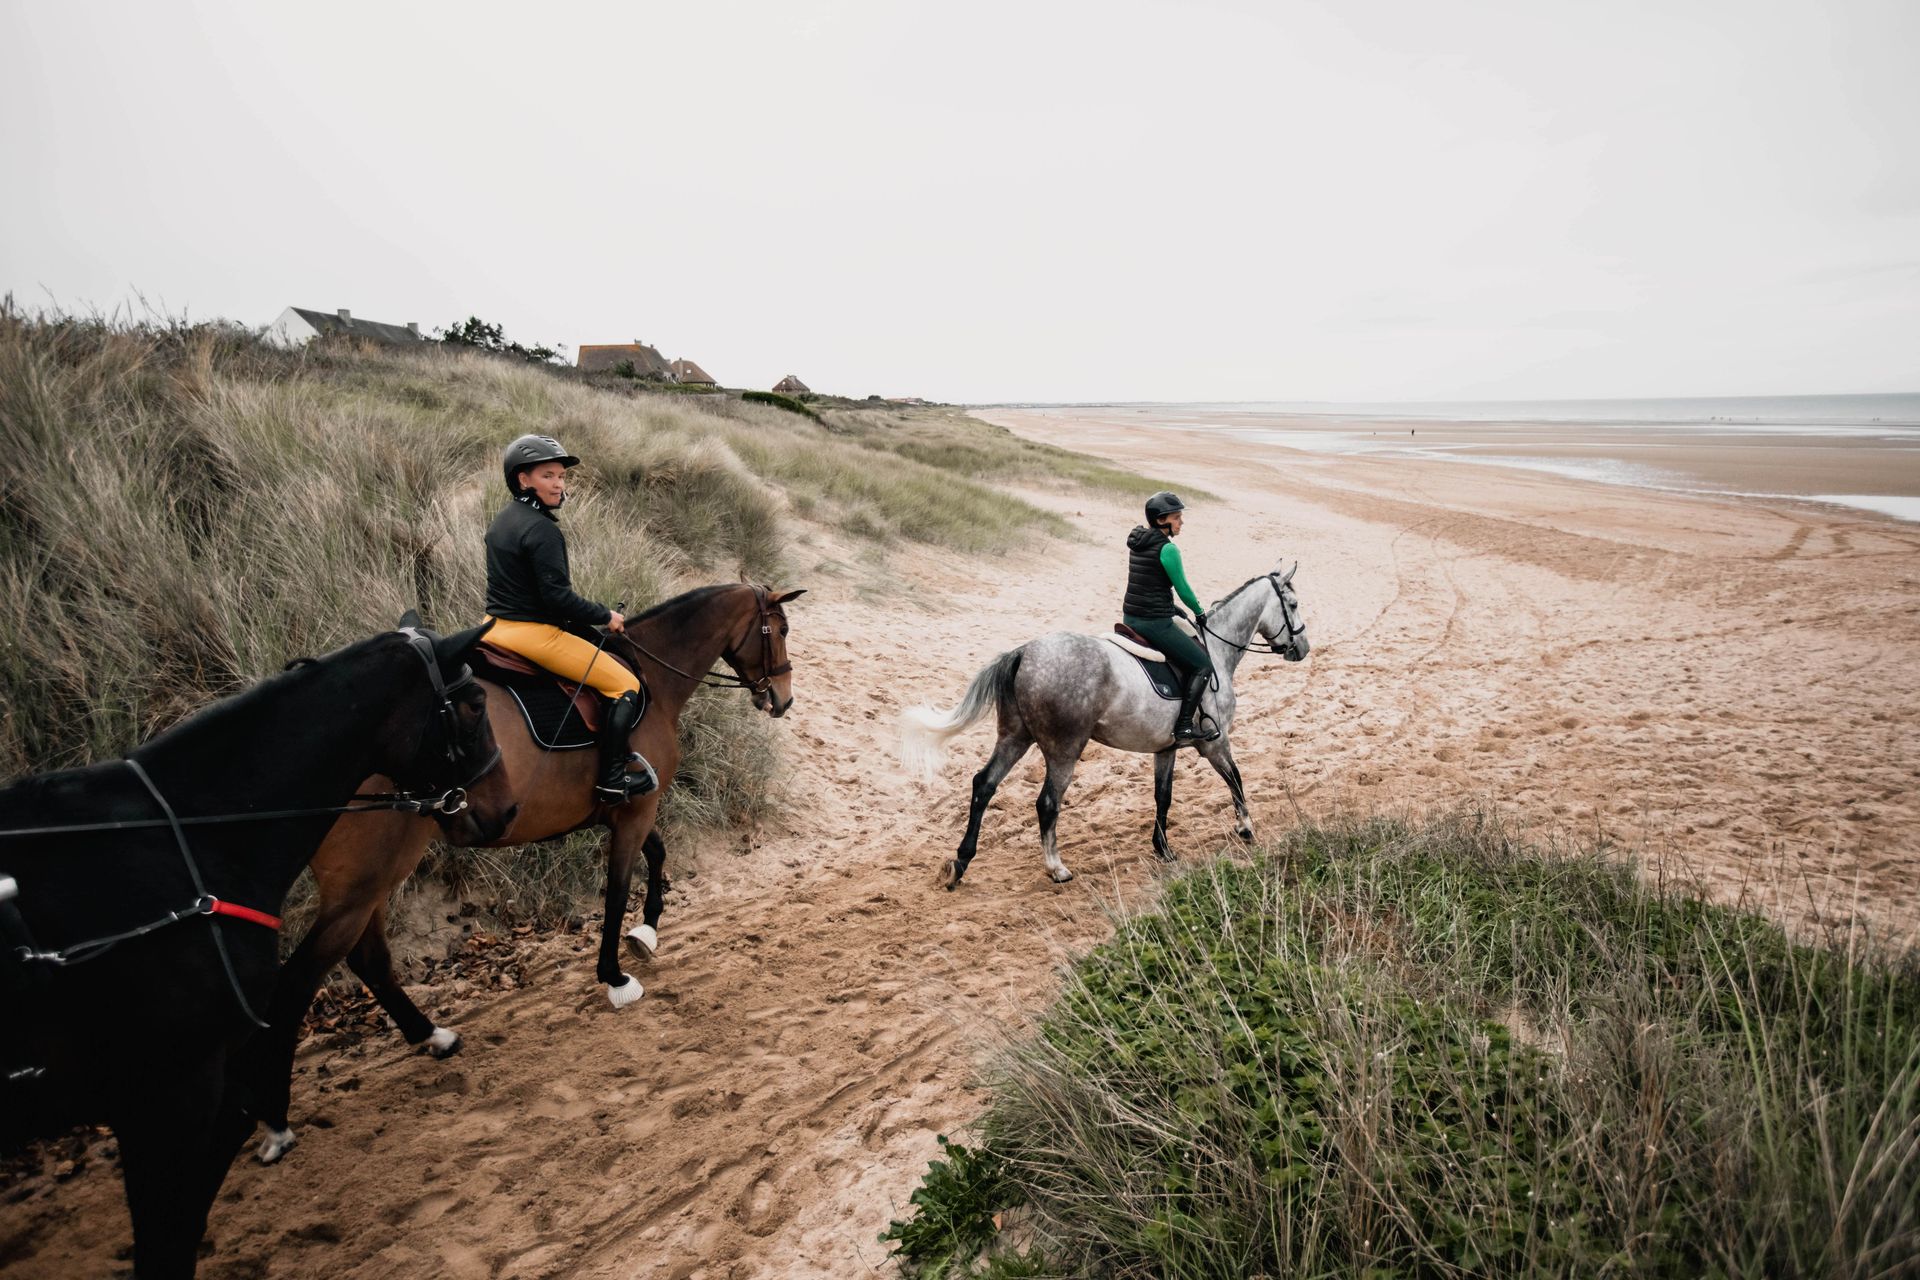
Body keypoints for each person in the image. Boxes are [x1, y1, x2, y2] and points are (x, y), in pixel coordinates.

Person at [483, 434, 655, 803]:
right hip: (532, 636)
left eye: (562, 476)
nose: (559, 484)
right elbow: (557, 598)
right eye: (548, 475)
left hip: (493, 627)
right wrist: (604, 615)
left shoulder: (504, 520)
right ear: (523, 479)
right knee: (625, 685)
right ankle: (613, 781)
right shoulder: (542, 529)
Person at [1122, 491, 1219, 744]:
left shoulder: (1139, 542)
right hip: (1153, 622)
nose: (1181, 522)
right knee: (1202, 665)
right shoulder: (1168, 549)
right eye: (1177, 517)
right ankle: (1185, 727)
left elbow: (1149, 584)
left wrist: (1172, 607)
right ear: (1162, 520)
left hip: (1131, 616)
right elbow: (1184, 589)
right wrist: (1198, 611)